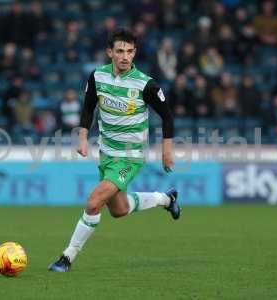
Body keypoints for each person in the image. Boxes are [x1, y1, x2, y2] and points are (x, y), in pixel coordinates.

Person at [48, 28, 181, 272]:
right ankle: (166, 198)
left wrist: (166, 151)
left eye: (129, 51)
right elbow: (88, 108)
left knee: (93, 203)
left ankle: (67, 257)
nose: (124, 56)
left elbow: (168, 117)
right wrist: (84, 137)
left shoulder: (146, 84)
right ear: (110, 52)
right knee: (119, 210)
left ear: (135, 53)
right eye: (120, 51)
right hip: (107, 153)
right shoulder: (97, 77)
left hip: (131, 156)